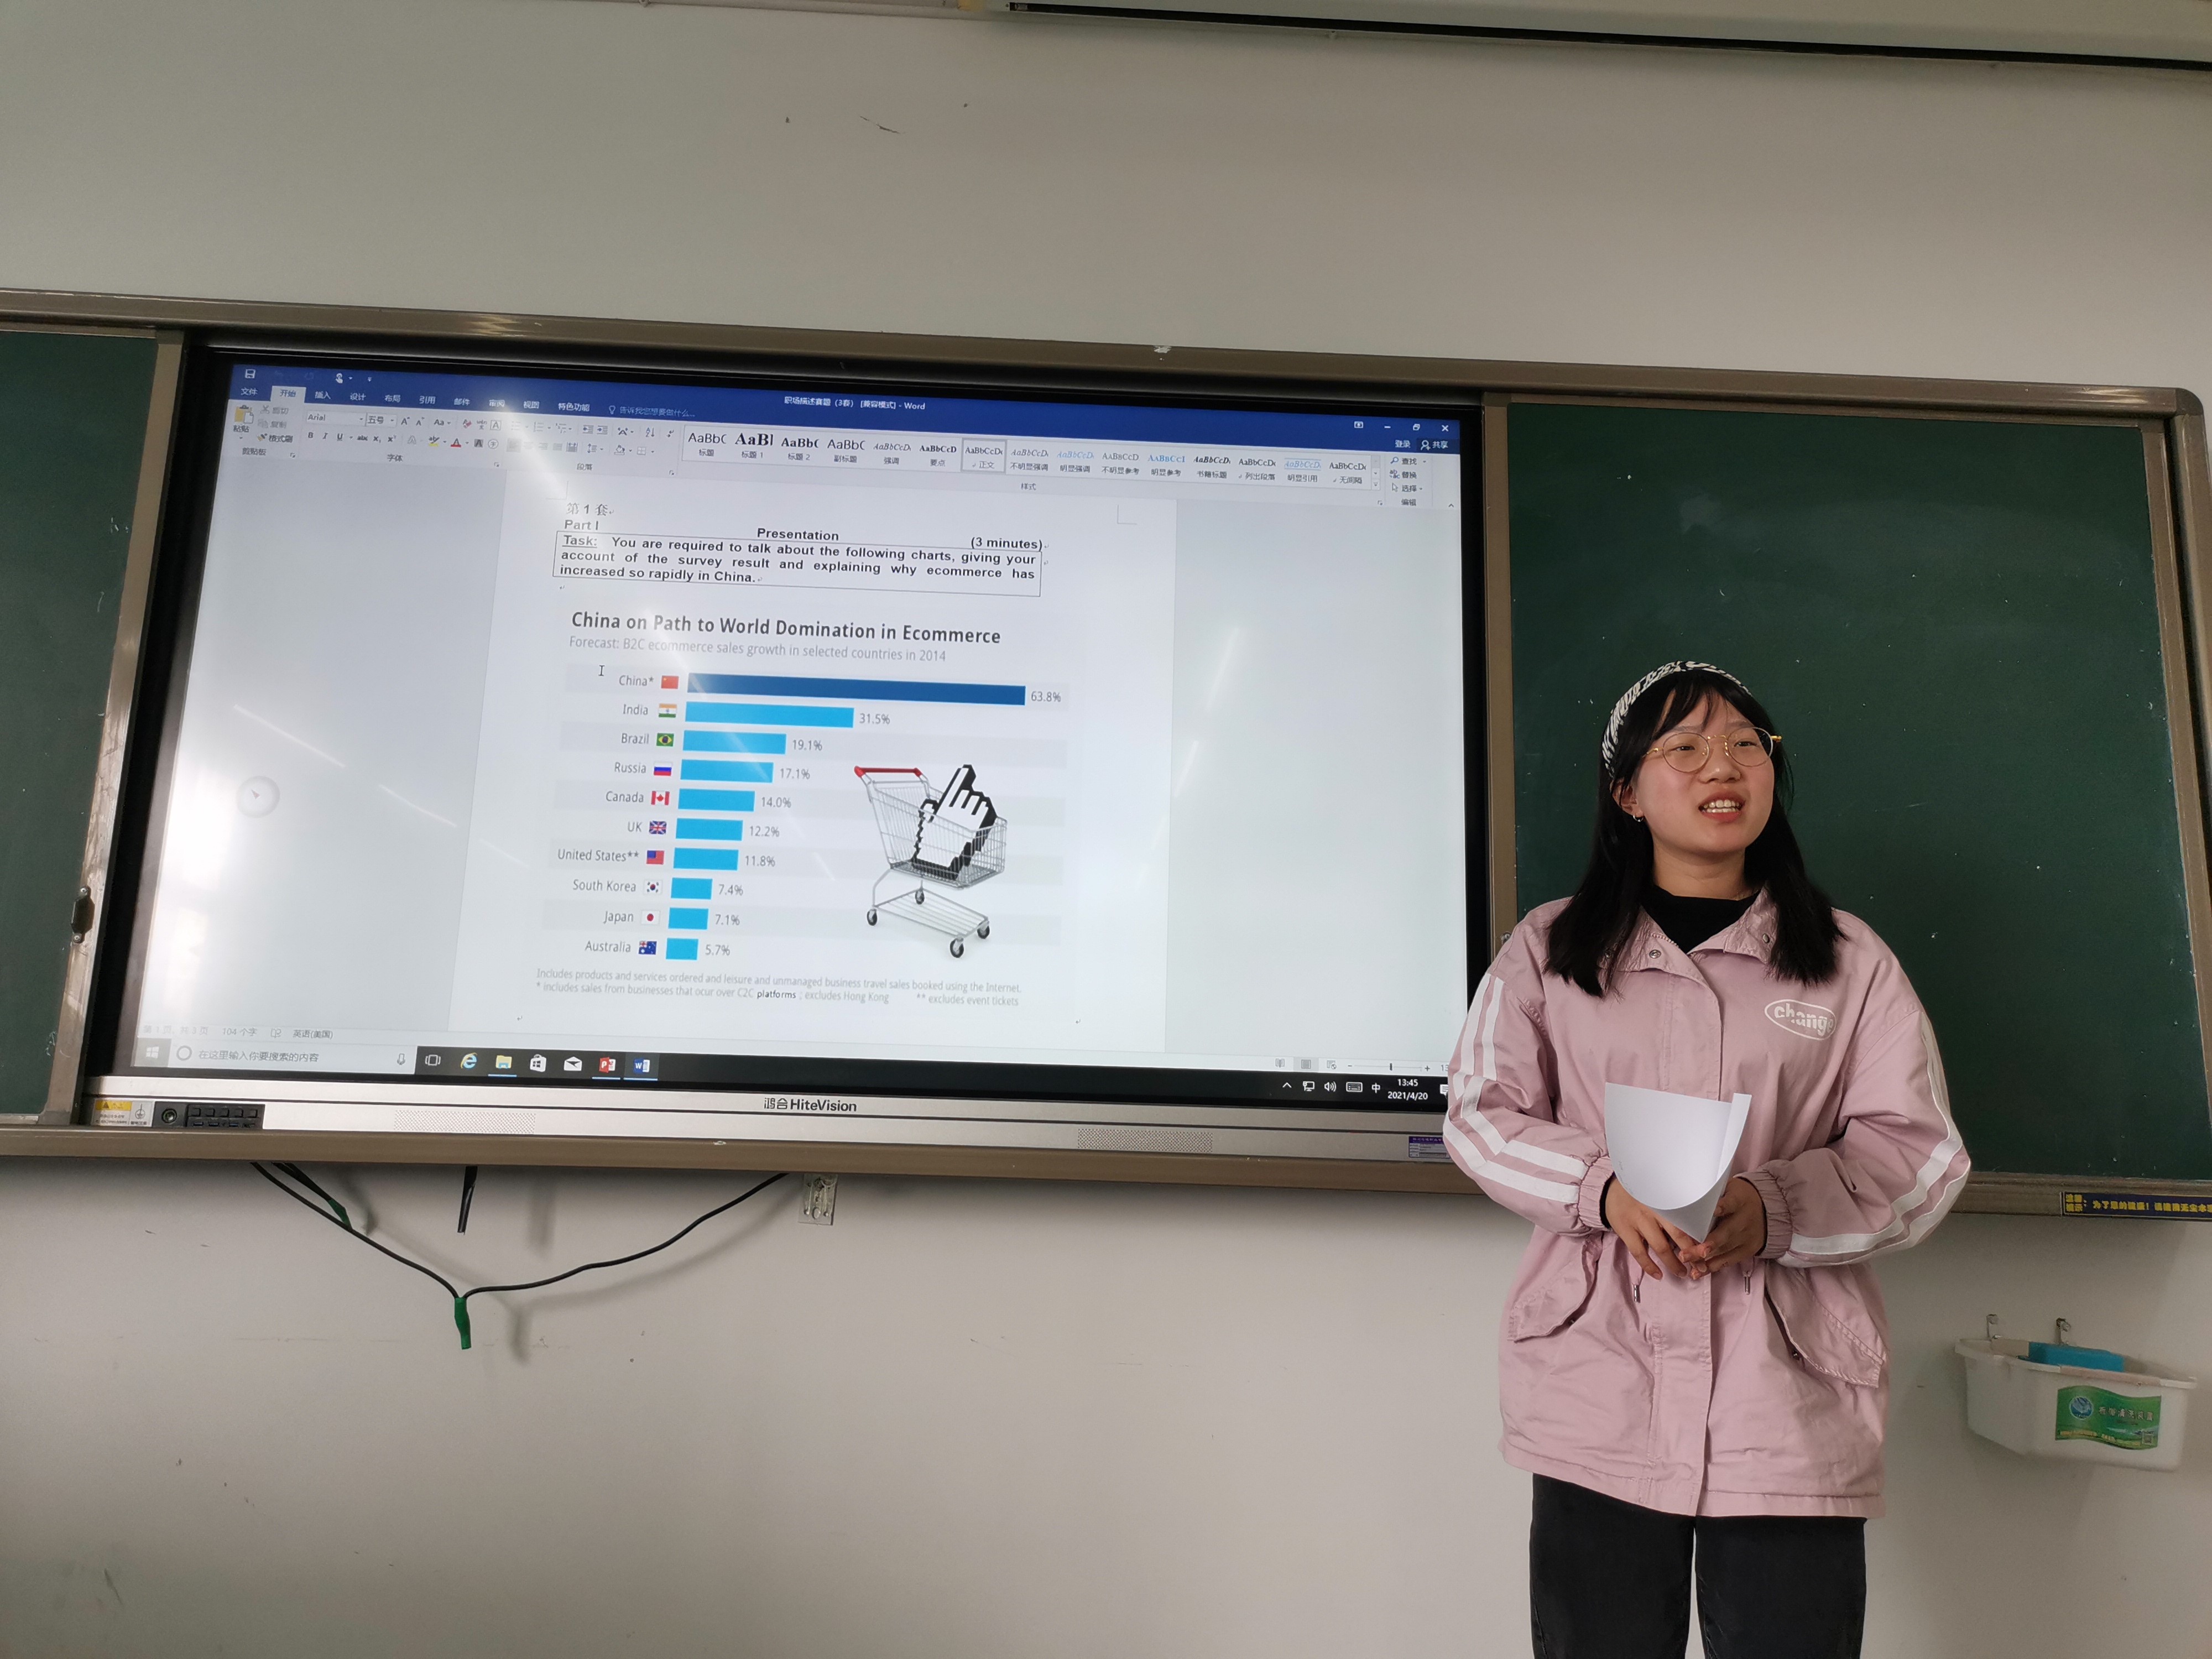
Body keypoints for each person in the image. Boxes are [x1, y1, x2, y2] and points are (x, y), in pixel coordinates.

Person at [1443, 661, 1969, 1659]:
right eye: (1683, 747)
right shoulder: (1550, 949)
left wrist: (1773, 1210)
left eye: (1744, 745)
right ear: (1627, 792)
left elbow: (1917, 1151)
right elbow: (1481, 1113)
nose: (1721, 767)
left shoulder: (1850, 960)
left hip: (1789, 1396)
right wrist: (1601, 1189)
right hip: (1602, 1385)